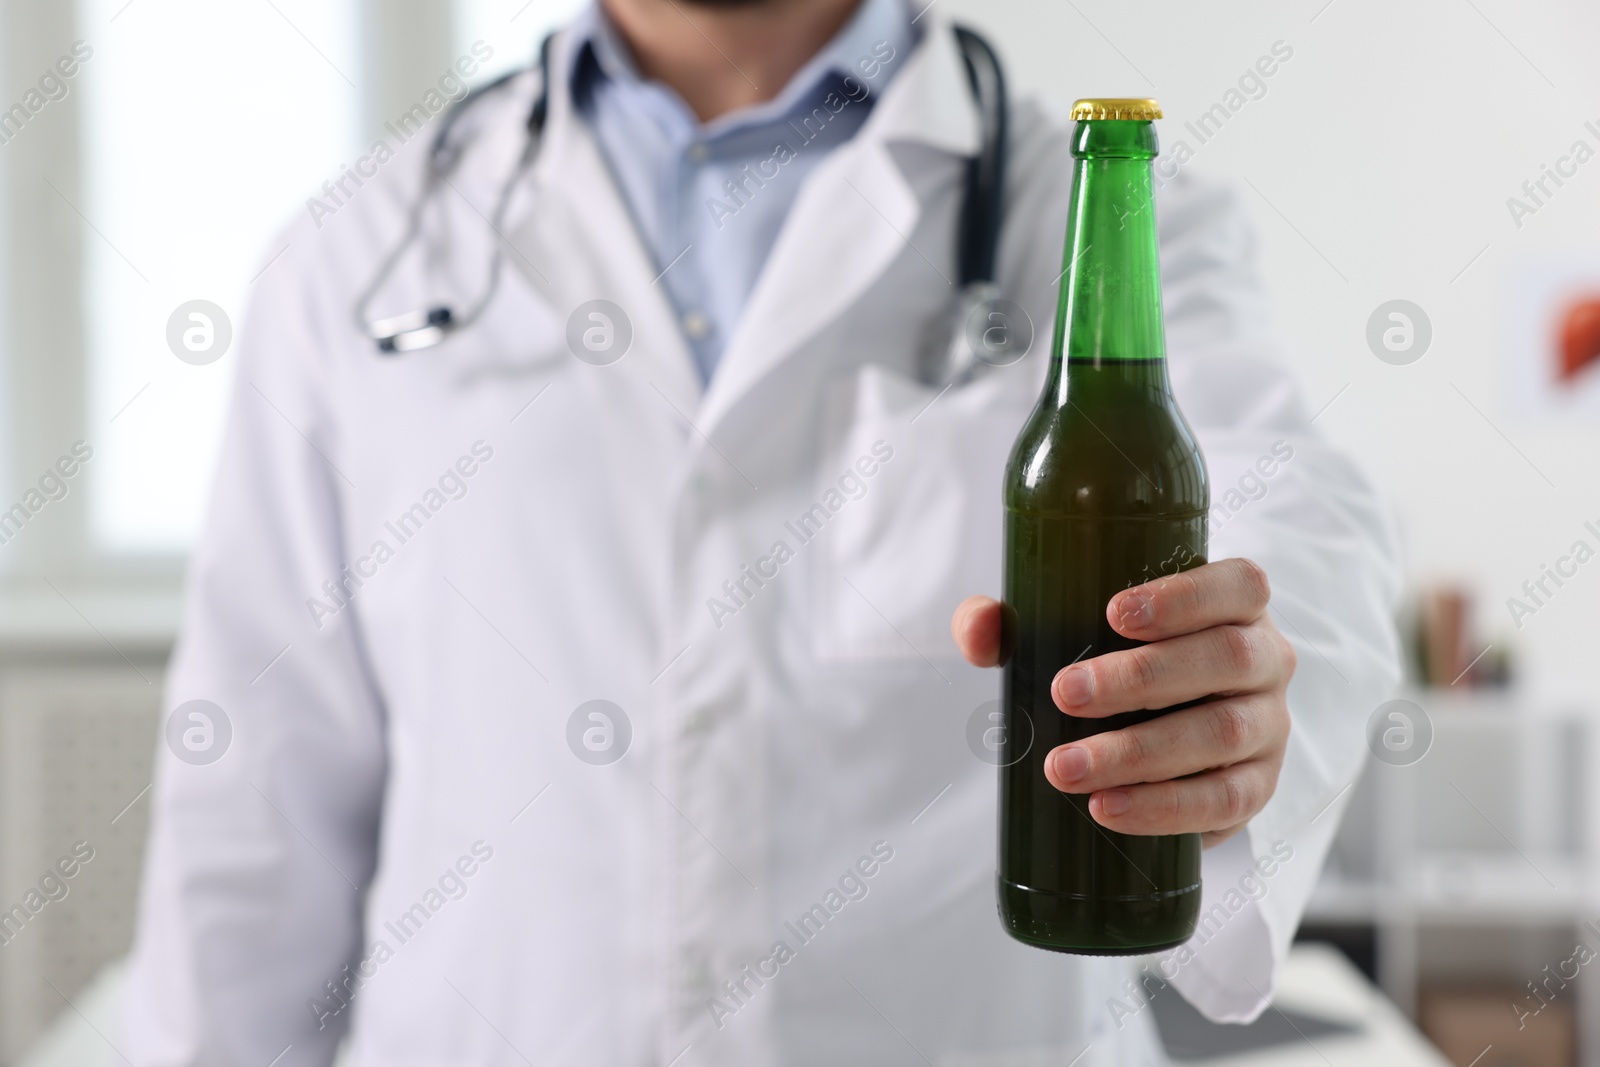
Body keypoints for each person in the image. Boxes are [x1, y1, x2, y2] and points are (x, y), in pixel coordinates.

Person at [121, 0, 1400, 1063]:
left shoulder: (1105, 218)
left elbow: (1301, 515)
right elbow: (252, 813)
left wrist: (1237, 684)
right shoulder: (360, 254)